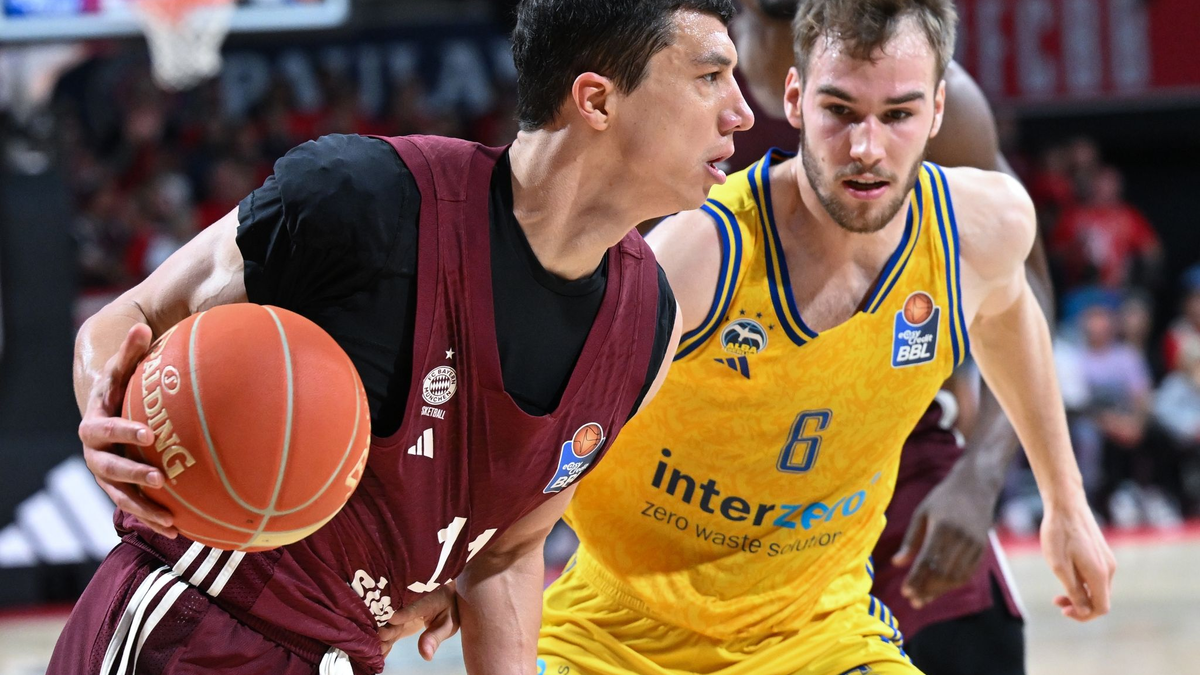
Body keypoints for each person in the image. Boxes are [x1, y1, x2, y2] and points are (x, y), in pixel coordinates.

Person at [53, 1, 754, 673]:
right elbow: (131, 316)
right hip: (189, 625)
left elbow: (508, 552)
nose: (741, 111)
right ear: (597, 100)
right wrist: (104, 410)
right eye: (708, 76)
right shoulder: (365, 200)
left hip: (350, 654)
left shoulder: (647, 326)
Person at [536, 2, 1114, 674]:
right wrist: (460, 557)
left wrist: (1065, 502)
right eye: (840, 111)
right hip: (624, 636)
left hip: (817, 630)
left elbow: (1012, 312)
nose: (867, 150)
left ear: (936, 112)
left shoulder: (982, 230)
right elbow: (554, 422)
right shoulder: (699, 256)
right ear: (794, 97)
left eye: (897, 115)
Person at [725, 1, 1058, 671]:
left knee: (973, 639)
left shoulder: (933, 98)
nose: (735, 31)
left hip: (894, 450)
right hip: (724, 470)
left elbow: (1027, 290)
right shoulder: (686, 97)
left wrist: (980, 474)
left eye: (755, 14)